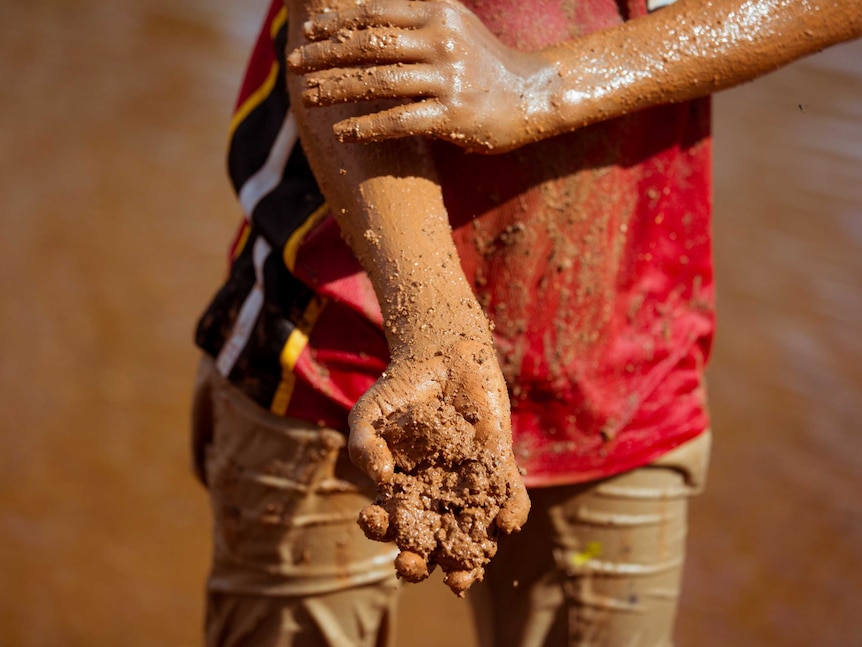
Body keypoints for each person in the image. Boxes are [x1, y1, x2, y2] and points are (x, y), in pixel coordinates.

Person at [192, 0, 861, 644]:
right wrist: (431, 320)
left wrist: (542, 86)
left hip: (620, 345)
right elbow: (342, 29)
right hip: (347, 331)